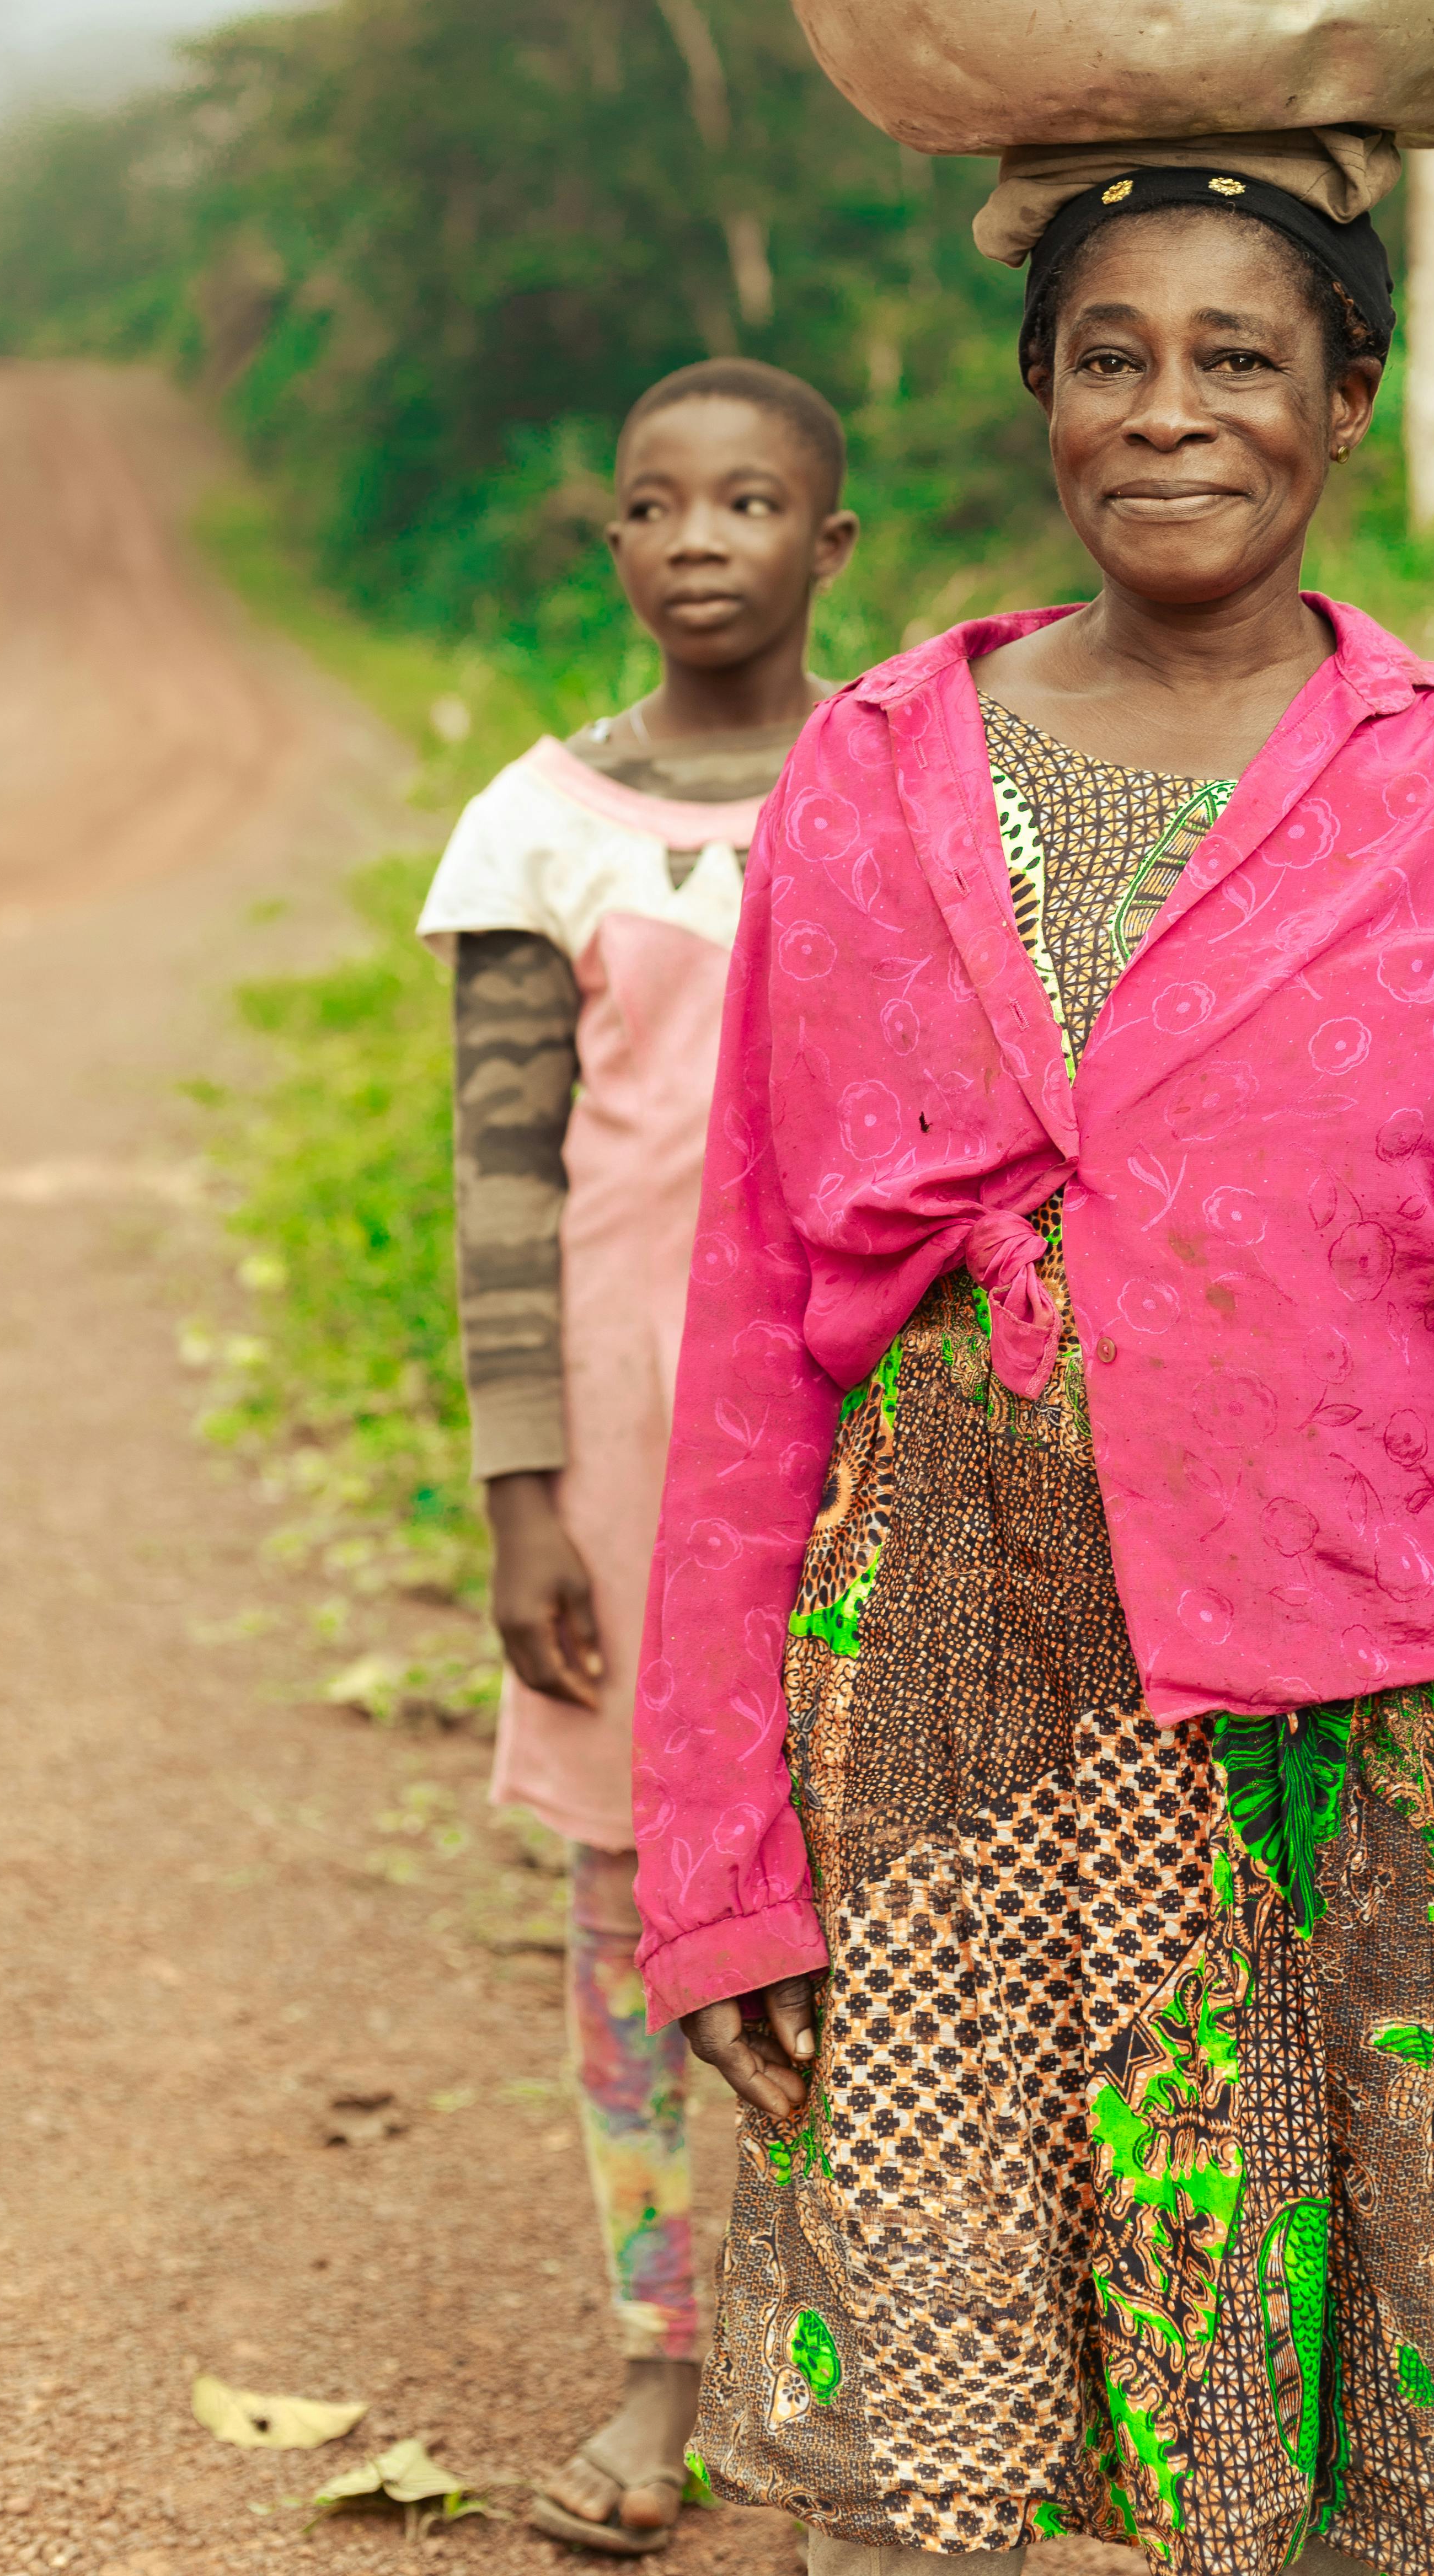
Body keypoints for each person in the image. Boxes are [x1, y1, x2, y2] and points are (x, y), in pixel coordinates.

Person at [630, 172, 1434, 2576]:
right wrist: (715, 1863)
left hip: (1339, 1702)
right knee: (950, 2387)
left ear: (1342, 407)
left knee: (1333, 2365)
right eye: (1109, 357)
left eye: (1238, 359)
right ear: (1041, 401)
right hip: (949, 1701)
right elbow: (756, 1313)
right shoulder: (871, 771)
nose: (1168, 414)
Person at [417, 360, 858, 2558]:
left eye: (751, 501)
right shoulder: (528, 828)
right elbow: (504, 1183)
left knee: (872, 1911)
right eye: (655, 503)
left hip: (868, 1451)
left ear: (829, 547)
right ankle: (656, 2373)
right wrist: (520, 1501)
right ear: (610, 541)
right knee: (632, 1926)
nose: (700, 540)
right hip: (610, 1447)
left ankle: (854, 2389)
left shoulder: (900, 795)